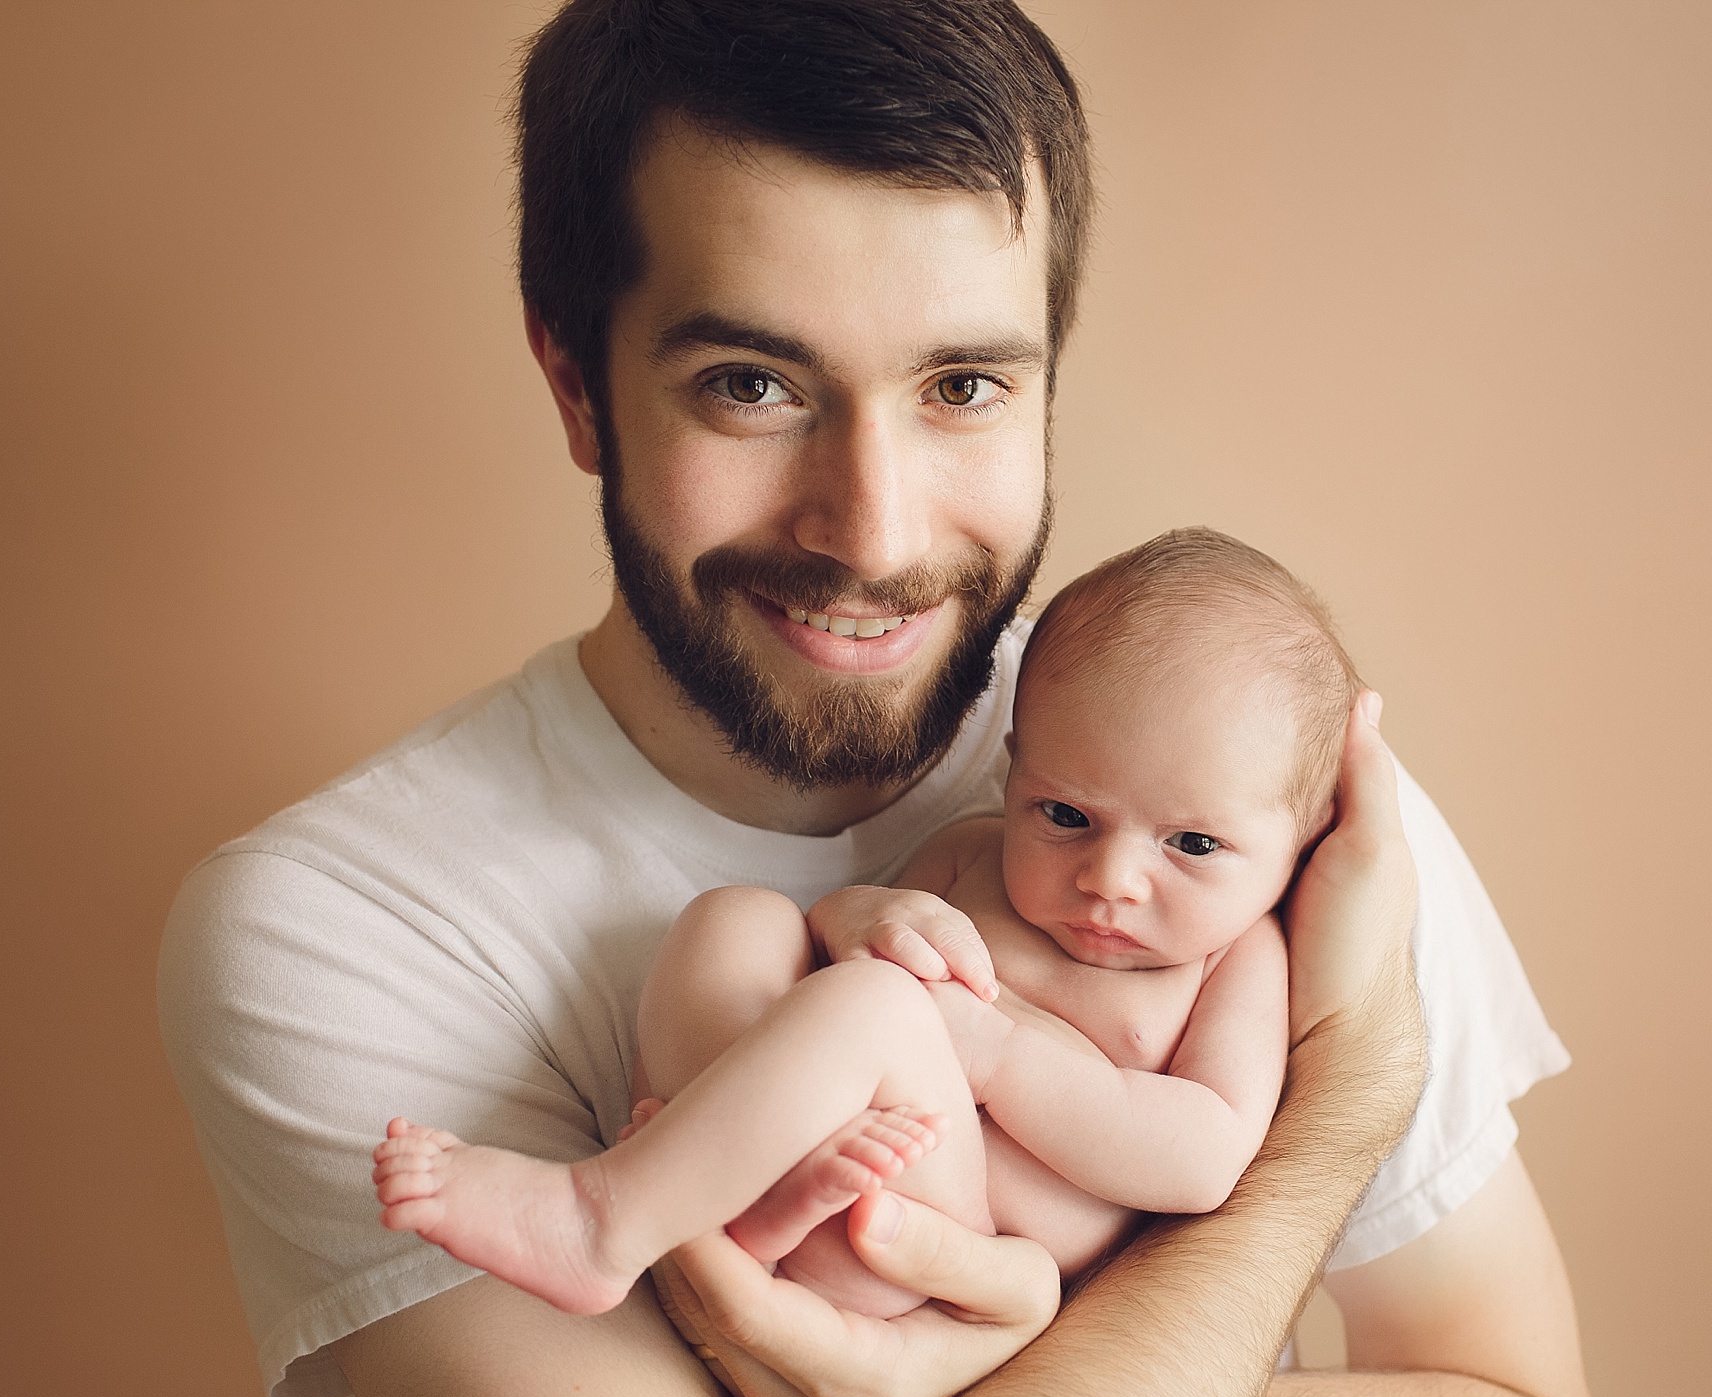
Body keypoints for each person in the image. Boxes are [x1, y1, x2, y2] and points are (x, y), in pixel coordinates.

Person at [156, 2, 1609, 1397]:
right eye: (755, 384)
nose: (873, 524)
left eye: (964, 384)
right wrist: (1332, 1119)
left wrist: (1003, 1368)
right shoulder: (342, 923)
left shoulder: (1235, 782)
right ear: (576, 382)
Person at [370, 532, 1346, 1325]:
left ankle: (603, 1221)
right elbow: (845, 954)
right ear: (1014, 775)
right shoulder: (971, 857)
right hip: (832, 1149)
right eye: (1064, 815)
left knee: (881, 1008)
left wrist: (997, 1052)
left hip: (943, 1238)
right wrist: (874, 910)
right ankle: (727, 1187)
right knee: (736, 922)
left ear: (1298, 845)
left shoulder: (1238, 958)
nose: (1112, 878)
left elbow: (1207, 1154)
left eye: (1193, 844)